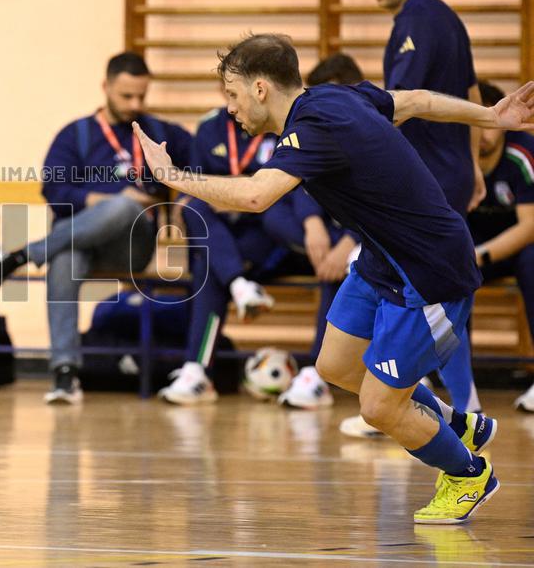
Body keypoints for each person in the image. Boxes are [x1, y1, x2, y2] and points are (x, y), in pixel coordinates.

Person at [135, 33, 534, 524]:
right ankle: (456, 424)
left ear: (261, 89)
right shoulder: (336, 95)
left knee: (378, 409)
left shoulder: (312, 128)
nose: (231, 110)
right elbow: (417, 101)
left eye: (233, 96)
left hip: (430, 271)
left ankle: (469, 475)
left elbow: (258, 197)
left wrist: (172, 176)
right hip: (384, 259)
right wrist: (491, 115)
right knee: (336, 363)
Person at [0, 52, 192, 404]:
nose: (135, 104)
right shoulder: (76, 135)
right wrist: (102, 200)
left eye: (142, 95)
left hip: (132, 245)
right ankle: (65, 373)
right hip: (80, 242)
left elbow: (203, 166)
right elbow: (54, 189)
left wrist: (187, 201)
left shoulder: (161, 134)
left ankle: (22, 254)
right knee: (65, 257)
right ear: (106, 87)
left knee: (126, 207)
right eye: (126, 96)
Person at [361, 0, 484, 420]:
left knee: (431, 299)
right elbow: (472, 94)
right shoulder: (446, 18)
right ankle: (404, 402)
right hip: (445, 176)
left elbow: (397, 105)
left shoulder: (418, 20)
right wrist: (471, 163)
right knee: (409, 290)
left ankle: (462, 410)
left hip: (426, 185)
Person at [157, 98, 282, 404]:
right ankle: (240, 286)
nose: (234, 99)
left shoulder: (281, 125)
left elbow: (278, 194)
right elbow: (198, 187)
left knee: (209, 266)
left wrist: (234, 193)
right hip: (221, 230)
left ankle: (197, 371)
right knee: (193, 208)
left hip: (264, 233)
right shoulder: (210, 127)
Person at [279, 53, 365, 409]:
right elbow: (299, 183)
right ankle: (318, 375)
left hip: (383, 240)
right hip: (333, 241)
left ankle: (411, 380)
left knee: (352, 267)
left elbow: (390, 201)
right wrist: (312, 223)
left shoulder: (377, 136)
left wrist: (350, 240)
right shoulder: (318, 135)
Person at [466, 82, 534, 412]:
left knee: (533, 262)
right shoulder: (456, 158)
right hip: (468, 249)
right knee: (444, 274)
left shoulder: (521, 153)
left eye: (492, 118)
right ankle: (461, 388)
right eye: (477, 119)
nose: (485, 128)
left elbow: (530, 226)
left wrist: (484, 254)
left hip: (512, 250)